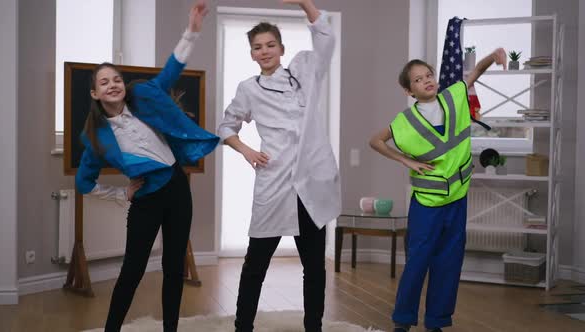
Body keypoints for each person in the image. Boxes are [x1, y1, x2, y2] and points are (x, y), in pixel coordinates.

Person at [75, 1, 219, 331]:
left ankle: (170, 328)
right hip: (146, 200)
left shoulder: (145, 96)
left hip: (177, 188)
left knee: (173, 267)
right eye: (104, 82)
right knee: (133, 270)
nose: (113, 84)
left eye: (116, 79)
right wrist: (120, 194)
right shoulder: (96, 139)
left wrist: (192, 31)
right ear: (96, 94)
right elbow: (84, 182)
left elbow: (171, 70)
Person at [217, 0, 340, 331]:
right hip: (274, 182)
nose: (265, 51)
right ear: (252, 54)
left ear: (282, 48)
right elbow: (226, 127)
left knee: (314, 266)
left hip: (310, 182)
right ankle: (243, 326)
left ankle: (313, 326)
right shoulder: (248, 89)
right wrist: (245, 149)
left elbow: (326, 38)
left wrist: (305, 3)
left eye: (270, 44)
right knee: (256, 263)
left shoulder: (304, 72)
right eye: (258, 47)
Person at [369, 48, 507, 332]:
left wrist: (494, 56)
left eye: (429, 75)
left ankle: (436, 322)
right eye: (418, 80)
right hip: (427, 205)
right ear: (409, 90)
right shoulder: (405, 122)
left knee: (448, 263)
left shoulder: (453, 97)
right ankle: (402, 322)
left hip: (457, 200)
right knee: (417, 263)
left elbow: (475, 73)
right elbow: (376, 141)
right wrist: (406, 160)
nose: (427, 81)